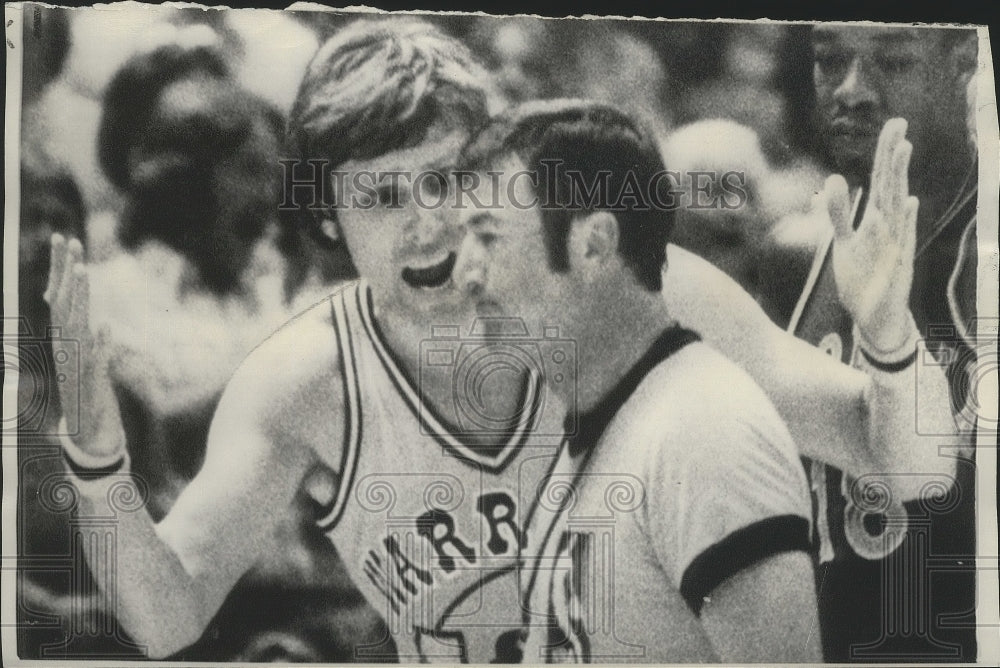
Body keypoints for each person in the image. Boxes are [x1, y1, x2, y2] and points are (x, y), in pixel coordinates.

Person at [45, 16, 957, 664]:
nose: (428, 228)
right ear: (328, 220)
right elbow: (166, 618)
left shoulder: (641, 293)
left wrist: (886, 340)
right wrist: (97, 466)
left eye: (449, 181)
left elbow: (907, 462)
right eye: (383, 197)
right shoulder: (304, 378)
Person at [454, 99, 821, 663]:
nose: (464, 274)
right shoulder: (611, 423)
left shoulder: (704, 435)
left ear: (596, 243)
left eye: (489, 236)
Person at [799, 24, 979, 661]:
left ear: (967, 58)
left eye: (894, 60)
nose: (851, 89)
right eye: (828, 60)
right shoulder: (815, 243)